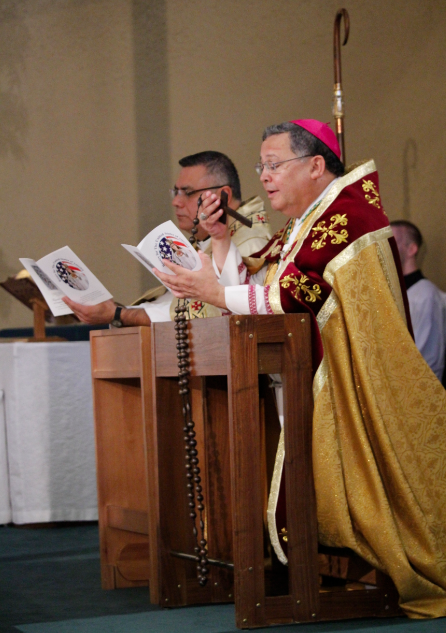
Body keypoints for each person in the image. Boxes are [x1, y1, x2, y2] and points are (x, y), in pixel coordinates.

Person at [154, 119, 446, 619]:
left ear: (315, 165)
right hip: (308, 370)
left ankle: (375, 568)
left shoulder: (346, 216)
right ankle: (323, 570)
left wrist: (214, 292)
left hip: (351, 379)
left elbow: (297, 294)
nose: (264, 177)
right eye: (260, 166)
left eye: (274, 165)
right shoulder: (311, 217)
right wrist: (221, 239)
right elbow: (268, 274)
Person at [63, 151, 271, 324]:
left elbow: (215, 313)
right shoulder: (207, 237)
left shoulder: (251, 243)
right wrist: (114, 311)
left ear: (222, 194)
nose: (176, 202)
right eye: (176, 192)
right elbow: (174, 303)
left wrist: (117, 314)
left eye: (187, 192)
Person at [391, 220, 446, 381]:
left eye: (392, 241)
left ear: (411, 249)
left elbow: (424, 360)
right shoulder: (393, 292)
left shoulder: (425, 296)